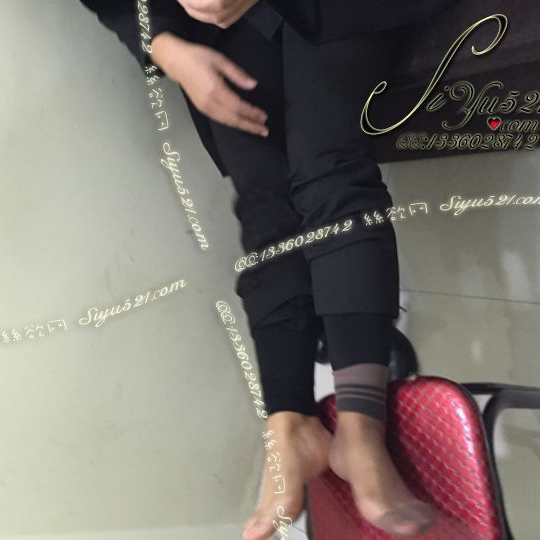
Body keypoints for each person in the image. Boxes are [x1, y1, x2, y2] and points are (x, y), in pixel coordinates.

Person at [79, 1, 455, 538]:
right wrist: (165, 45)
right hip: (207, 27)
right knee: (264, 207)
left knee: (330, 171)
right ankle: (289, 422)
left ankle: (360, 427)